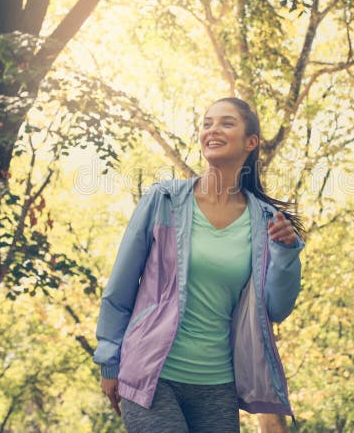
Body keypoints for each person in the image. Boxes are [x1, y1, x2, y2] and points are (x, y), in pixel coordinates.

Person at [93, 97, 305, 432]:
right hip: (151, 376)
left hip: (217, 385)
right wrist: (109, 359)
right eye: (207, 123)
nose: (212, 130)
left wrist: (286, 253)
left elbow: (276, 309)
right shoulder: (164, 200)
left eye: (226, 123)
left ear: (251, 142)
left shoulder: (266, 222)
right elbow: (121, 285)